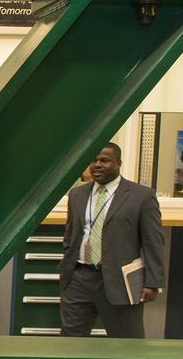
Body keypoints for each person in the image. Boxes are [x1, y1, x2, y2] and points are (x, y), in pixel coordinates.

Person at [59, 143, 166, 338]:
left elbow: (154, 242)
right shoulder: (77, 195)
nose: (97, 165)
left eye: (105, 160)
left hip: (121, 280)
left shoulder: (141, 196)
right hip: (79, 278)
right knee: (70, 340)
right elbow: (71, 234)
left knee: (127, 342)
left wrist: (152, 282)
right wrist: (67, 268)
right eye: (94, 160)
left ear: (119, 164)